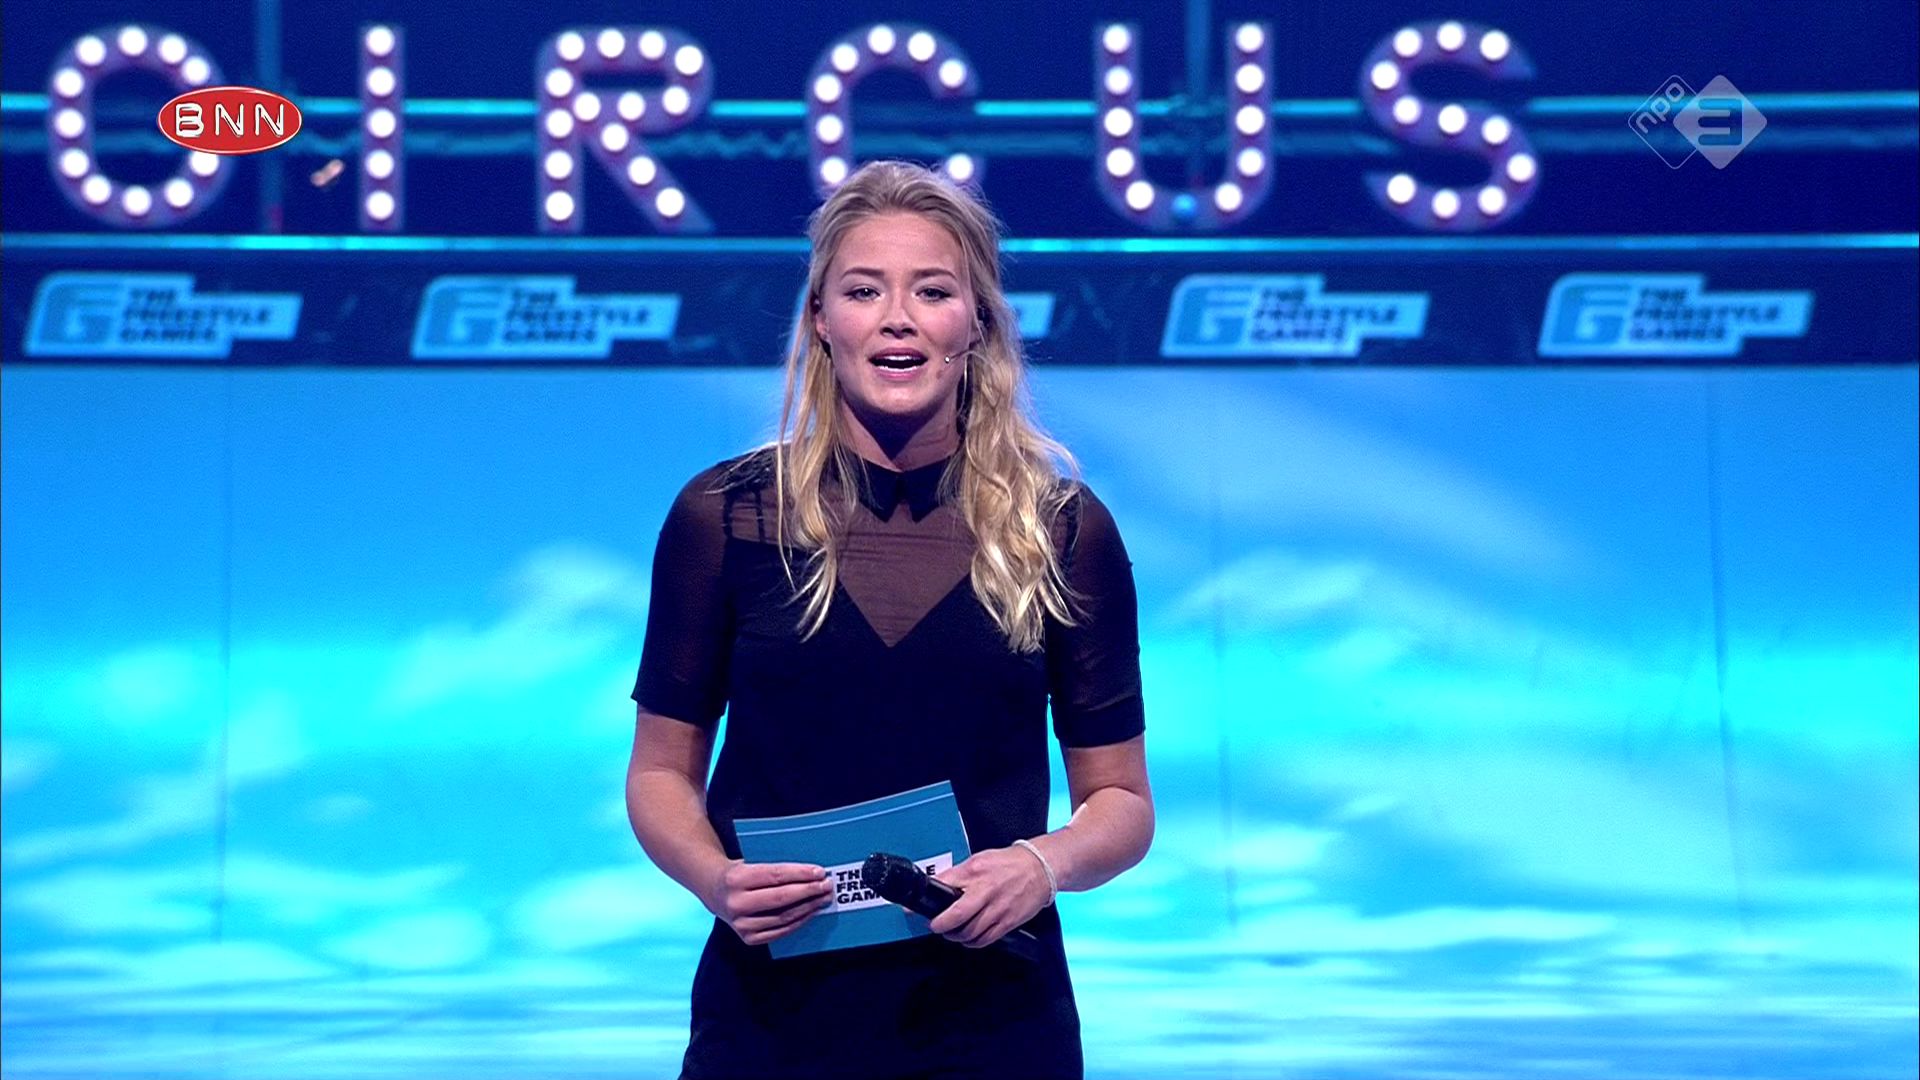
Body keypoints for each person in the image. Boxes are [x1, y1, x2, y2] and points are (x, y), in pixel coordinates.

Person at [625, 160, 1153, 1080]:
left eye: (933, 291)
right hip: (772, 1019)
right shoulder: (725, 517)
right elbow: (660, 772)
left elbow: (1123, 804)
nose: (897, 317)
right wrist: (716, 880)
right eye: (864, 290)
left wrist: (1041, 866)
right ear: (821, 321)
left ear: (976, 323)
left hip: (992, 1017)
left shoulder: (1062, 530)